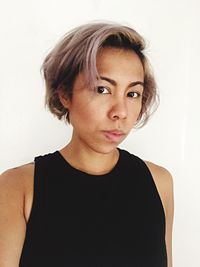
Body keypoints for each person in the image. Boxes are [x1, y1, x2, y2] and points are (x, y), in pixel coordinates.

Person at [0, 21, 174, 267]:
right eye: (102, 89)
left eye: (132, 93)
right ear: (64, 93)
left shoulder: (159, 182)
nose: (120, 112)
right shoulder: (18, 187)